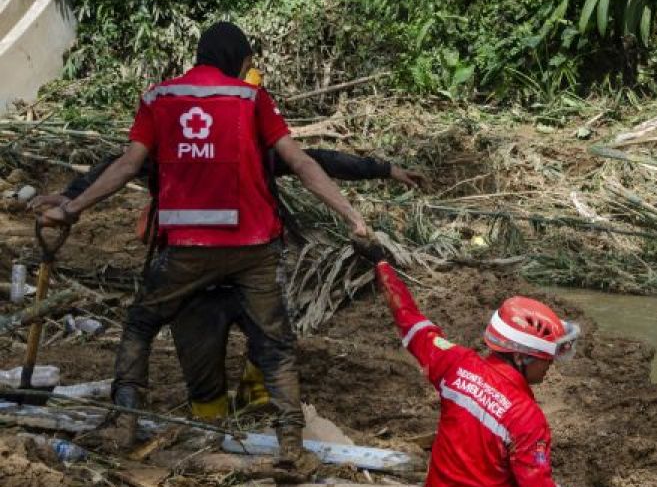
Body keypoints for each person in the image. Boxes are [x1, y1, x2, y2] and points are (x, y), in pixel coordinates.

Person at [37, 21, 368, 457]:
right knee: (276, 344)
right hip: (254, 247)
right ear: (237, 59)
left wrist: (69, 209)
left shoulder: (159, 98)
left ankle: (124, 421)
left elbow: (124, 166)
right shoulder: (251, 99)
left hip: (187, 251)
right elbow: (303, 163)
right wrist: (352, 216)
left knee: (140, 323)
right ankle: (291, 445)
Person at [33, 147, 424, 421]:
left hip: (198, 266)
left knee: (242, 340)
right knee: (252, 343)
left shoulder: (198, 144)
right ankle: (228, 407)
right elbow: (312, 161)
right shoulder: (234, 145)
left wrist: (70, 201)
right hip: (229, 267)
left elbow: (119, 165)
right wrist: (70, 199)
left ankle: (210, 405)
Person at [363, 248, 641, 487]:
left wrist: (383, 268)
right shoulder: (526, 418)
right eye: (546, 357)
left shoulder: (457, 365)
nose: (550, 364)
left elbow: (413, 325)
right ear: (522, 357)